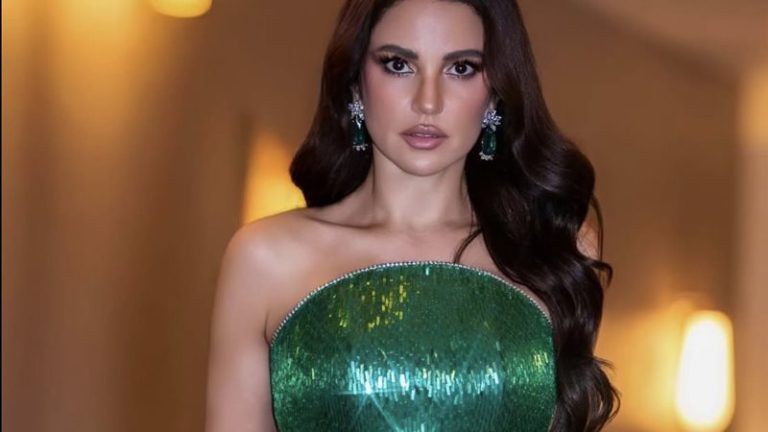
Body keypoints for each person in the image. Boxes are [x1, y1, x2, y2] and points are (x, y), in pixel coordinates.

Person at [206, 0, 618, 430]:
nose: (428, 102)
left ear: (495, 92)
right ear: (354, 81)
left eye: (461, 68)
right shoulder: (267, 258)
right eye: (398, 64)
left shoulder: (556, 248)